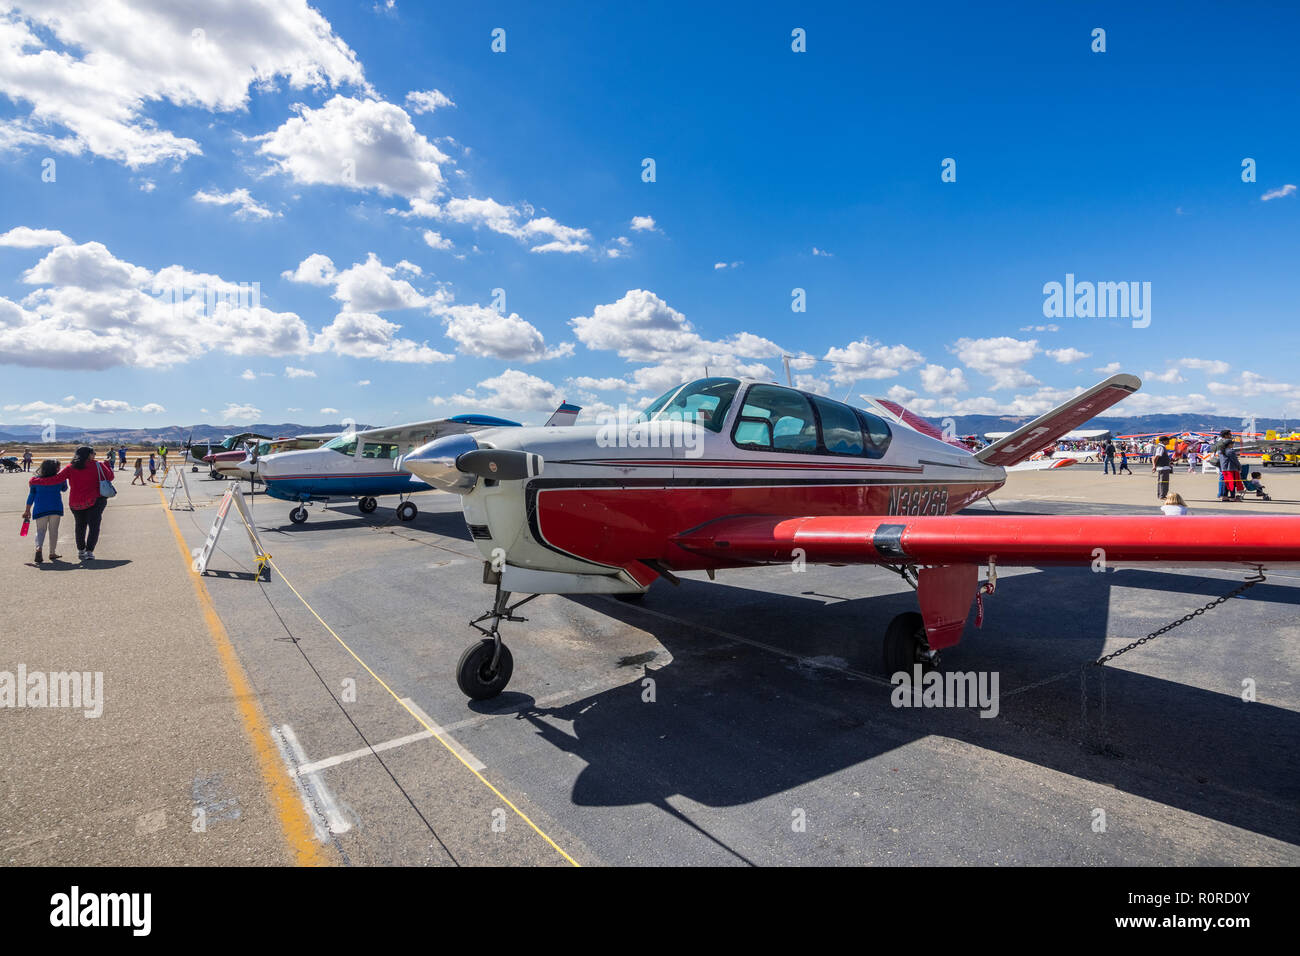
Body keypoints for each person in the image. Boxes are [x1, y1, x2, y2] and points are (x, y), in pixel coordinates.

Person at [30, 445, 112, 561]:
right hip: (95, 500)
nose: (95, 455)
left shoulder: (70, 467)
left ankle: (81, 551)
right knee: (94, 527)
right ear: (88, 455)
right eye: (93, 453)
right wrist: (107, 464)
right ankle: (89, 551)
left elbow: (55, 479)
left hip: (76, 503)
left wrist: (35, 481)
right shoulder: (98, 465)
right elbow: (110, 477)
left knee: (80, 526)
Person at [22, 459, 66, 563]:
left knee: (40, 530)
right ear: (55, 468)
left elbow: (31, 496)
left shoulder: (34, 481)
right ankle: (52, 553)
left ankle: (38, 548)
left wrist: (27, 510)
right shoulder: (60, 479)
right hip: (55, 508)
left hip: (40, 509)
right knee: (53, 531)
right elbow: (64, 489)